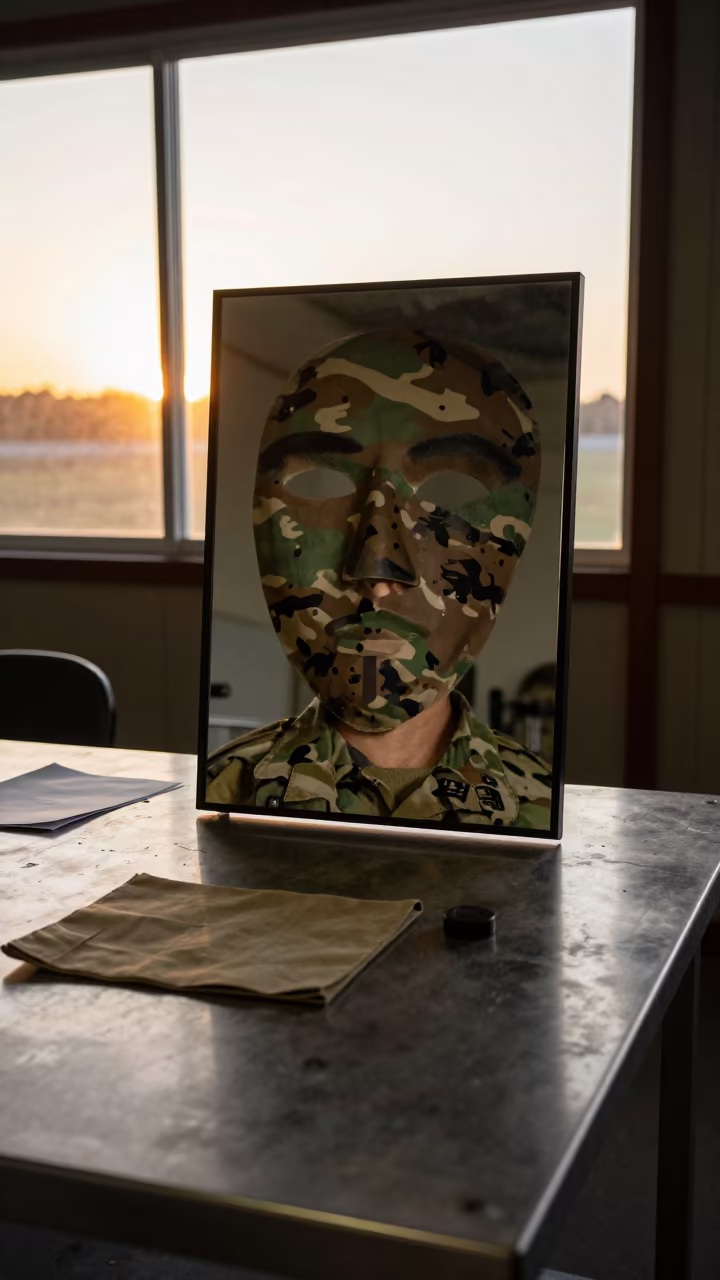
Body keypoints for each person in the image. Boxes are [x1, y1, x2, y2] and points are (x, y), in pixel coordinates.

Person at [207, 329, 552, 829]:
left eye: (449, 491)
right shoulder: (224, 798)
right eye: (323, 486)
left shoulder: (543, 810)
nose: (377, 569)